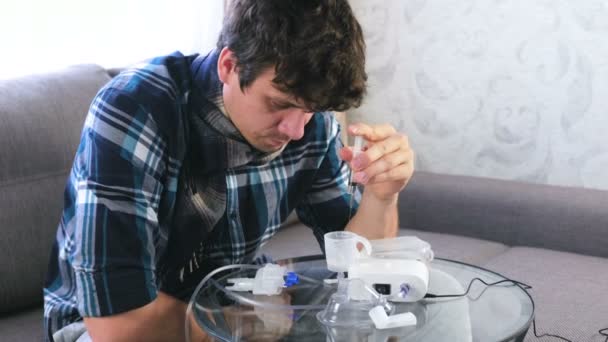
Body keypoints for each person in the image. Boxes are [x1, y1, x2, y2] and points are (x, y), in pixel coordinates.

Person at [43, 0, 415, 341]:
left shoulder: (309, 124)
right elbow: (118, 326)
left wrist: (382, 195)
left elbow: (357, 272)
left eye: (311, 110)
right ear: (228, 65)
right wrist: (238, 323)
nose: (296, 130)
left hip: (234, 295)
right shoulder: (136, 110)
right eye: (279, 104)